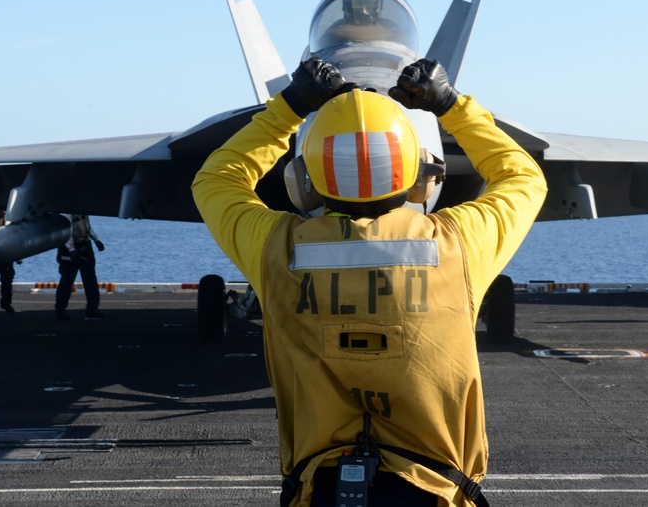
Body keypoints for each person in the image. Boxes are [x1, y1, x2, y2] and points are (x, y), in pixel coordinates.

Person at [193, 58, 547, 506]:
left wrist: (289, 107)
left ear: (303, 180)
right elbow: (523, 178)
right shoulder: (458, 245)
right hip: (437, 491)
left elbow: (215, 180)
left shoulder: (276, 248)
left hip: (318, 490)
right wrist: (452, 107)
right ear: (420, 174)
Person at [54, 214, 105, 321]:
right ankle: (60, 310)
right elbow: (67, 230)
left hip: (84, 245)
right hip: (69, 250)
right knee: (67, 281)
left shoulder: (81, 209)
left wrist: (96, 240)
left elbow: (86, 224)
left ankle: (92, 309)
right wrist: (71, 250)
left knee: (90, 280)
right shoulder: (66, 212)